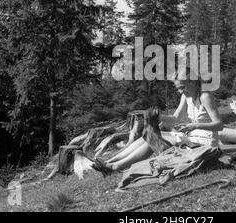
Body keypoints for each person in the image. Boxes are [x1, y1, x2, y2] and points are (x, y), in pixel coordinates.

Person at [92, 69, 224, 175]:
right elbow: (176, 118)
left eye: (182, 87)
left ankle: (114, 167)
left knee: (153, 139)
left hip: (204, 144)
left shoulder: (205, 97)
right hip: (191, 139)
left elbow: (219, 125)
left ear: (194, 82)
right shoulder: (186, 96)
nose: (180, 91)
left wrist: (195, 125)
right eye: (178, 88)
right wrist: (157, 117)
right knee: (147, 136)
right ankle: (109, 161)